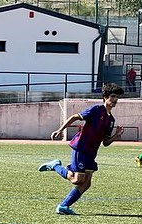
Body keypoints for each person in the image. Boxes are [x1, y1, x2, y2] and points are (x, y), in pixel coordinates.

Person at [38, 83, 125, 215]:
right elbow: (74, 117)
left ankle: (63, 206)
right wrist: (60, 130)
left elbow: (106, 142)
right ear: (105, 97)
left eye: (117, 97)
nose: (115, 100)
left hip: (92, 153)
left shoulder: (111, 120)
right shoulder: (96, 110)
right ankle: (56, 166)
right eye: (112, 96)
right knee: (77, 180)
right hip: (81, 147)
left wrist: (116, 136)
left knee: (87, 183)